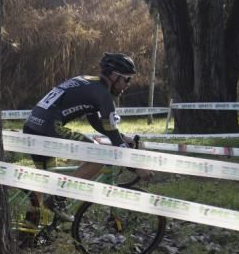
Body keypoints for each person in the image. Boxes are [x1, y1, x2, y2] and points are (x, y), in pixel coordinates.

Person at [20, 52, 150, 224]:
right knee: (99, 155)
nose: (127, 84)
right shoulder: (104, 96)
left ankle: (30, 228)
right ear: (113, 75)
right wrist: (137, 168)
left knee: (45, 178)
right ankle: (61, 197)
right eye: (126, 79)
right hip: (49, 129)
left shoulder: (88, 82)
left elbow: (95, 121)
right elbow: (115, 142)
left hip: (32, 126)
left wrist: (122, 136)